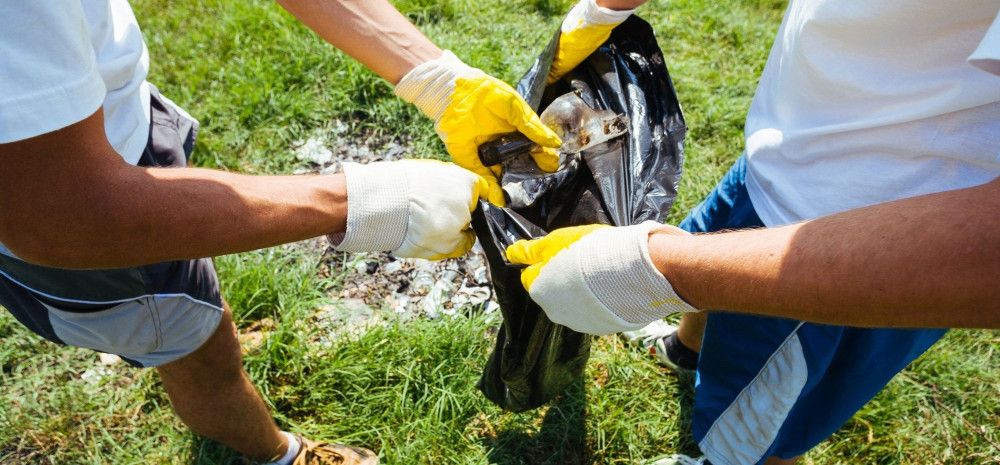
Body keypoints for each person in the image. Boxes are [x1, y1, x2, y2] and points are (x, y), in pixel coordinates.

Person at [0, 1, 569, 464]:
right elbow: (59, 217)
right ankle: (278, 453)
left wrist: (436, 78)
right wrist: (367, 201)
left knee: (194, 317)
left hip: (110, 126)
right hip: (88, 224)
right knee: (201, 356)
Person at [508, 0, 1000, 464]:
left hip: (866, 239)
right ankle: (685, 351)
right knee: (709, 252)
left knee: (762, 423)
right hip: (780, 154)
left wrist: (660, 268)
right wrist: (602, 12)